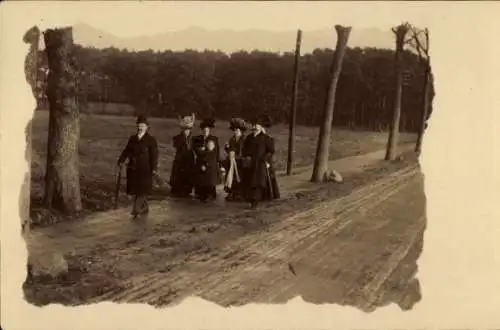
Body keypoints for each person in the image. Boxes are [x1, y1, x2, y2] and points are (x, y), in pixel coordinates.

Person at [117, 115, 159, 218]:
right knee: (136, 189)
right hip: (133, 167)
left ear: (147, 127)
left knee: (142, 189)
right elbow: (127, 150)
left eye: (143, 126)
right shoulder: (132, 138)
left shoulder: (151, 140)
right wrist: (121, 160)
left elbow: (154, 156)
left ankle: (136, 209)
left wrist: (154, 168)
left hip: (145, 169)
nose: (140, 128)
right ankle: (144, 207)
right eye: (139, 125)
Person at [242, 114, 280, 209]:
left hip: (260, 164)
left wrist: (265, 159)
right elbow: (244, 149)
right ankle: (251, 200)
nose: (254, 127)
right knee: (249, 182)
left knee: (258, 183)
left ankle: (255, 202)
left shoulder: (266, 138)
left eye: (256, 125)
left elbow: (271, 151)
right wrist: (246, 156)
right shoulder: (249, 138)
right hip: (250, 163)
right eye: (253, 125)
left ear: (261, 126)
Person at [193, 118, 221, 200]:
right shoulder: (197, 139)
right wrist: (203, 150)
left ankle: (211, 195)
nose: (205, 131)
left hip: (210, 163)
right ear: (202, 130)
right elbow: (196, 150)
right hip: (200, 162)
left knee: (210, 181)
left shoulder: (214, 139)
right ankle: (200, 194)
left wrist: (216, 163)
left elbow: (215, 153)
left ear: (209, 130)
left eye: (207, 130)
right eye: (204, 130)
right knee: (201, 181)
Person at [170, 113, 196, 198]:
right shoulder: (177, 138)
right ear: (182, 129)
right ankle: (178, 191)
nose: (186, 131)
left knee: (188, 178)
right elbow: (177, 145)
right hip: (180, 162)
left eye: (188, 129)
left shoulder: (194, 139)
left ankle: (187, 190)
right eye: (185, 129)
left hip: (189, 162)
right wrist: (184, 138)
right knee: (178, 179)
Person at [223, 118, 247, 201]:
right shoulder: (232, 139)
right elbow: (230, 150)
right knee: (231, 177)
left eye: (237, 130)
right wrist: (227, 148)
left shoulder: (244, 140)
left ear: (241, 131)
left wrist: (238, 156)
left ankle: (239, 193)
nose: (235, 132)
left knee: (239, 176)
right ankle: (231, 192)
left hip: (240, 161)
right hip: (232, 161)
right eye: (234, 130)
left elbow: (244, 151)